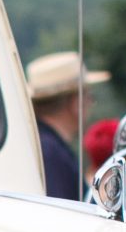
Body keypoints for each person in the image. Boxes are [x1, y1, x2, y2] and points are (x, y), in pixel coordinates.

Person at [24, 51, 107, 201]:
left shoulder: (42, 146)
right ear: (76, 103)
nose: (90, 104)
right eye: (89, 97)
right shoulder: (49, 152)